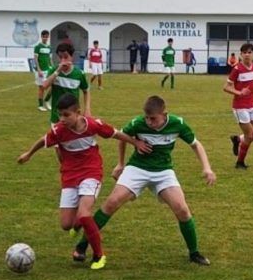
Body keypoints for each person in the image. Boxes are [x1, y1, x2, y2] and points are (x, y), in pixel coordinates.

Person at [73, 95, 216, 266]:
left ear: (164, 114)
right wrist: (120, 164)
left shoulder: (177, 124)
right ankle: (82, 246)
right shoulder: (137, 123)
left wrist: (206, 168)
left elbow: (196, 144)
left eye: (153, 118)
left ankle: (194, 253)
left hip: (163, 171)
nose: (149, 122)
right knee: (112, 202)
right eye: (147, 118)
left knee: (182, 209)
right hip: (137, 168)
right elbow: (122, 138)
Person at [17, 93, 152, 270]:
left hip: (91, 171)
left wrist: (135, 142)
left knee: (84, 213)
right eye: (60, 114)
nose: (62, 119)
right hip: (69, 176)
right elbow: (43, 141)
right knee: (66, 225)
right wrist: (28, 153)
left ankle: (99, 255)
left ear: (78, 113)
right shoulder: (59, 130)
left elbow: (116, 134)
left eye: (66, 115)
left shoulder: (93, 125)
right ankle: (80, 223)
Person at [224, 43, 253, 169]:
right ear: (241, 55)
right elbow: (226, 87)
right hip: (240, 107)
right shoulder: (237, 69)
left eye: (249, 52)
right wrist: (239, 92)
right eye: (244, 52)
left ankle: (237, 139)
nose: (247, 55)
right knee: (250, 135)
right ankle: (240, 162)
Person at [43, 42, 91, 125]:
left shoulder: (79, 73)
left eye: (66, 57)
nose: (63, 60)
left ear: (71, 57)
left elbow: (86, 91)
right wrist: (58, 71)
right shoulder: (54, 70)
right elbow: (44, 86)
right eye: (60, 57)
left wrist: (87, 109)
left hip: (74, 117)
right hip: (56, 117)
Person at [34, 30, 53, 112]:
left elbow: (50, 58)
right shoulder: (38, 47)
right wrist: (38, 69)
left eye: (47, 36)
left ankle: (47, 100)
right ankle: (40, 105)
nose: (45, 38)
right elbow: (35, 59)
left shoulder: (49, 47)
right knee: (41, 88)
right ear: (41, 37)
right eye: (44, 36)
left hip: (48, 70)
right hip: (40, 70)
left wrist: (52, 67)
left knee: (53, 86)